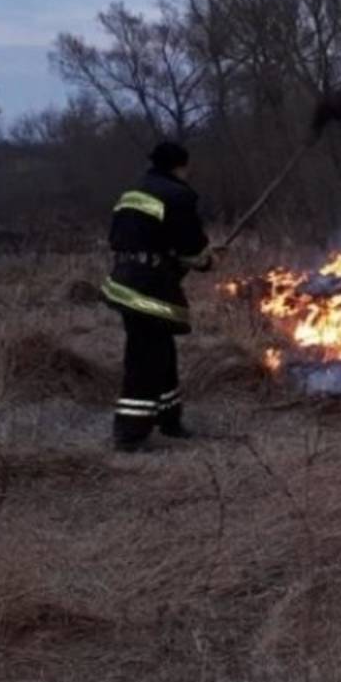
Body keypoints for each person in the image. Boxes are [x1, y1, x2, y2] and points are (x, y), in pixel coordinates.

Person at [102, 141, 214, 452]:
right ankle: (129, 433)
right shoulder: (178, 195)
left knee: (162, 350)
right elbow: (192, 246)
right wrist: (205, 260)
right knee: (145, 357)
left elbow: (125, 238)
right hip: (147, 288)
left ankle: (169, 420)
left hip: (124, 280)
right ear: (180, 166)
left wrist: (171, 258)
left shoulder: (131, 194)